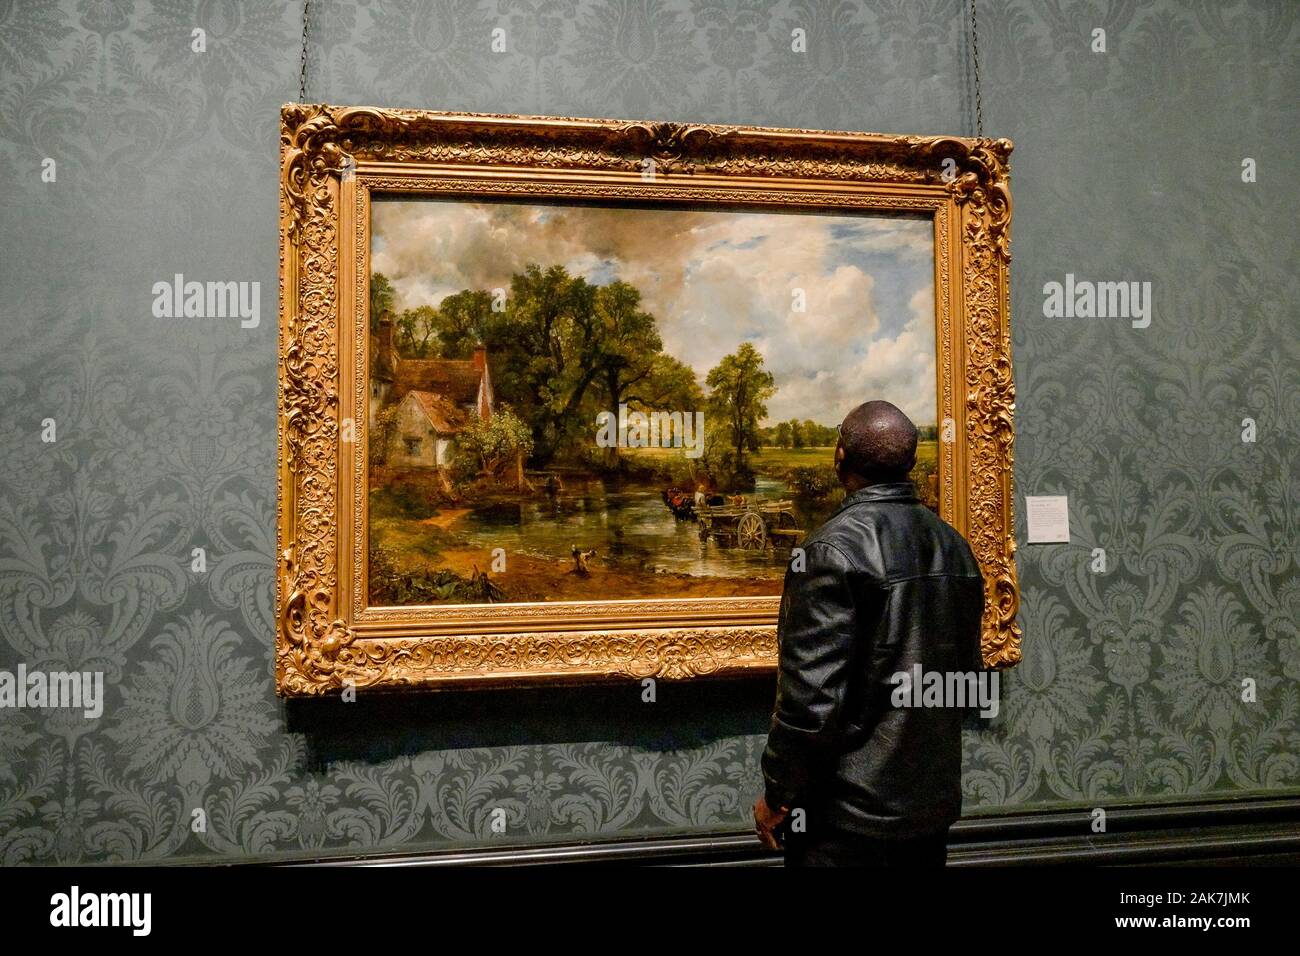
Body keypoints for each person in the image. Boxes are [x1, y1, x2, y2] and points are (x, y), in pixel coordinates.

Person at [752, 400, 986, 867]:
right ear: (911, 463)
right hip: (927, 815)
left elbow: (811, 706)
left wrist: (777, 793)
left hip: (845, 824)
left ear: (839, 457)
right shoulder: (955, 548)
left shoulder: (829, 551)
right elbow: (965, 682)